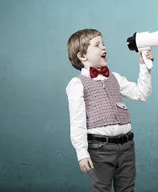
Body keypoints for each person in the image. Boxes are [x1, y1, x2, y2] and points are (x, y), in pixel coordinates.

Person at [65, 28, 153, 192]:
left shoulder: (115, 77)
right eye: (97, 45)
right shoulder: (77, 84)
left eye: (103, 44)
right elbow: (77, 122)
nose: (104, 48)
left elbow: (142, 94)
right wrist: (82, 152)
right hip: (99, 149)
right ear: (82, 56)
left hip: (127, 146)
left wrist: (144, 67)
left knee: (127, 189)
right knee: (101, 189)